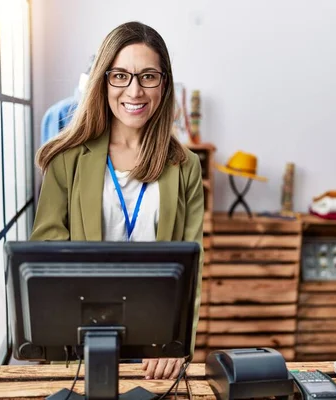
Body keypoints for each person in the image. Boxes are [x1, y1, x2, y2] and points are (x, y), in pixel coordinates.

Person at [29, 21, 204, 380]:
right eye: (120, 76)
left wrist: (175, 343)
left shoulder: (185, 166)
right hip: (81, 342)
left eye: (148, 76)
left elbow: (193, 268)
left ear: (164, 83)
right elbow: (46, 255)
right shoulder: (67, 160)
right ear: (103, 80)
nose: (135, 91)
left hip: (156, 347)